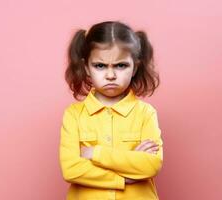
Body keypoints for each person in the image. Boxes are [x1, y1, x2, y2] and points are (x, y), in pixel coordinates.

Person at [59, 20, 164, 200]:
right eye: (100, 66)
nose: (110, 75)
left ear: (135, 67)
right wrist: (123, 177)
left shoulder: (146, 113)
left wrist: (95, 153)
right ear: (86, 68)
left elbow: (151, 164)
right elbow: (71, 169)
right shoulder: (74, 114)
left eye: (121, 65)